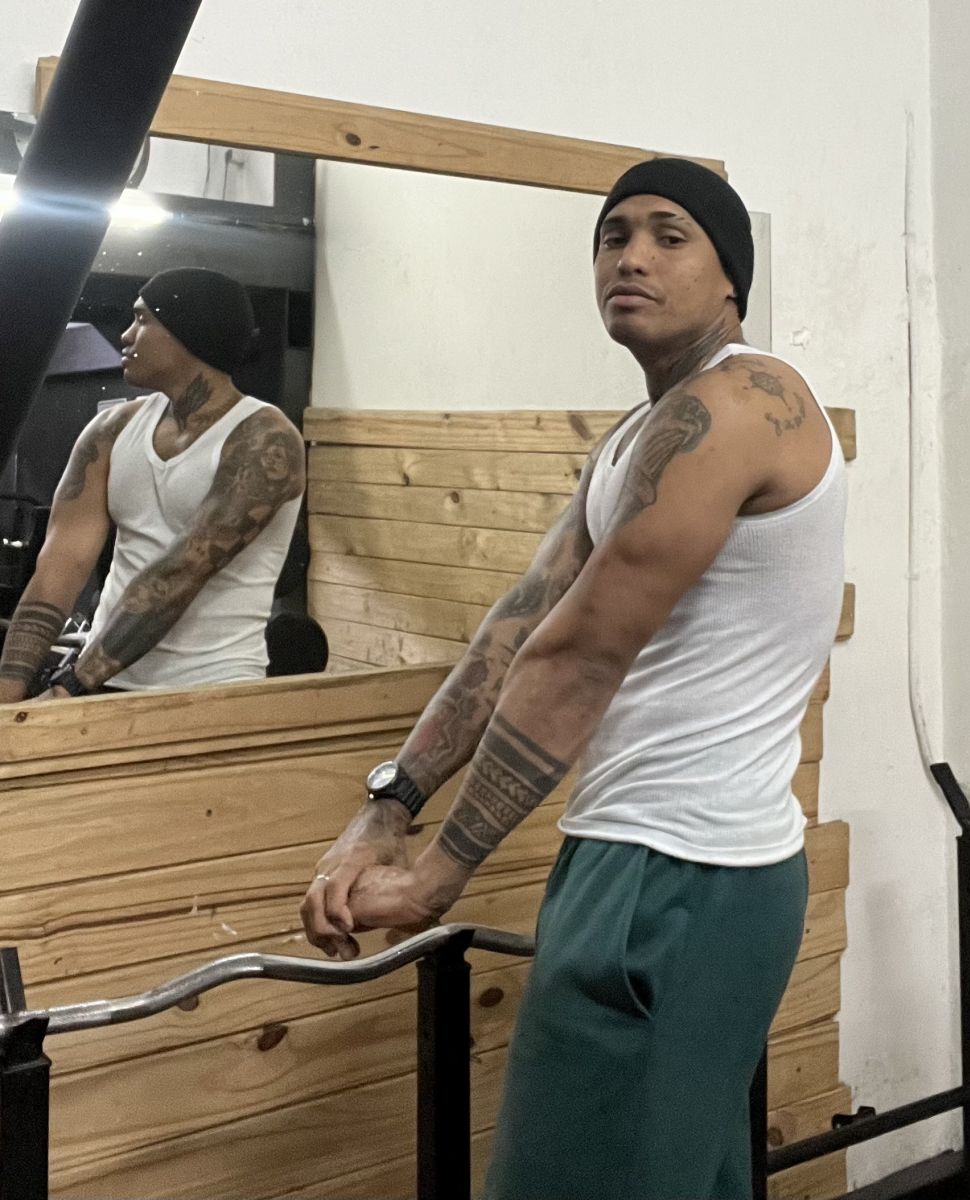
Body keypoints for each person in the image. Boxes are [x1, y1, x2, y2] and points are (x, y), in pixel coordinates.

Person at [299, 158, 846, 1199]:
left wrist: (435, 877)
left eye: (669, 236)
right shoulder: (642, 434)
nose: (632, 256)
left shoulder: (739, 405)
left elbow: (581, 655)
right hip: (659, 865)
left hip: (674, 874)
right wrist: (390, 804)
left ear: (731, 278)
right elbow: (518, 627)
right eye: (613, 236)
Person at [0, 267, 305, 701]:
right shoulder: (111, 431)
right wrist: (8, 695)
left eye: (143, 319)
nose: (126, 335)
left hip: (212, 688)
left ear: (189, 332)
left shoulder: (264, 439)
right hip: (101, 679)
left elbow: (181, 572)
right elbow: (60, 566)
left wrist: (71, 686)